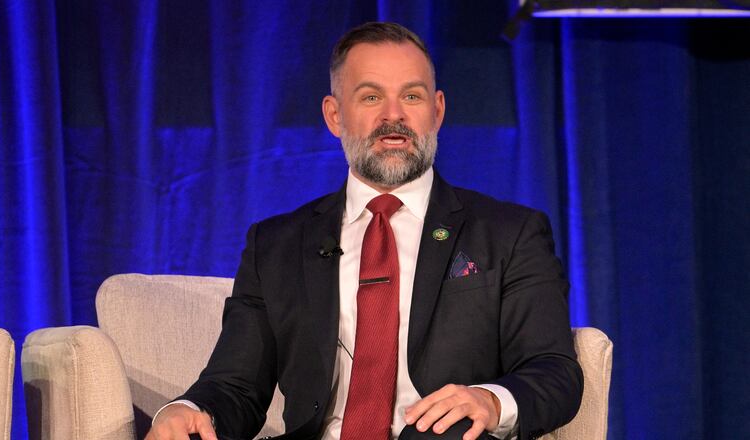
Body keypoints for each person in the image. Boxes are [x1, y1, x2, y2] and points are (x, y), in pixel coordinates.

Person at [147, 22, 582, 440]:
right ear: (335, 115)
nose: (394, 115)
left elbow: (552, 370)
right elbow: (235, 386)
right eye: (371, 97)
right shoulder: (275, 246)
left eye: (411, 96)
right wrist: (183, 411)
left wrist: (489, 400)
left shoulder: (510, 233)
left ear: (437, 111)